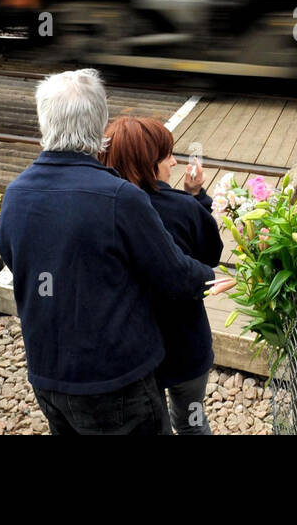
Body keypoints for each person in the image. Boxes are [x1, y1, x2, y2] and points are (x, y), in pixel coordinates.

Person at [0, 69, 230, 435]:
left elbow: (19, 263)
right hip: (115, 384)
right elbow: (172, 272)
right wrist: (209, 277)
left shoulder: (16, 194)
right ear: (98, 125)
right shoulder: (120, 198)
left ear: (44, 121)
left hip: (47, 377)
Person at [100, 116, 222, 435]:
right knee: (192, 420)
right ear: (147, 163)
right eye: (167, 155)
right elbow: (211, 255)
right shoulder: (184, 207)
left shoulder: (104, 209)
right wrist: (196, 197)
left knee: (155, 426)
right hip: (187, 347)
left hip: (135, 354)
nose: (175, 161)